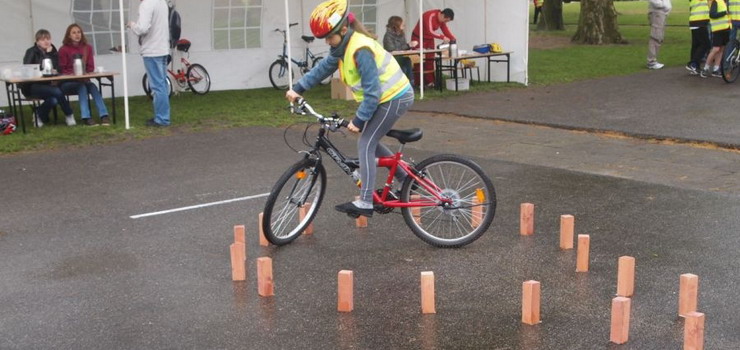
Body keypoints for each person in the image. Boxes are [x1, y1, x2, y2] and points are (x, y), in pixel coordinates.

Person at [286, 0, 415, 218]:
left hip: (395, 97)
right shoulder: (343, 45)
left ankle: (366, 202)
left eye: (329, 36)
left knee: (365, 144)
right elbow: (324, 67)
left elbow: (373, 93)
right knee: (370, 139)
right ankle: (405, 178)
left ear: (344, 29)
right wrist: (298, 88)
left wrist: (359, 119)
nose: (328, 42)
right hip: (387, 98)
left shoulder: (360, 49)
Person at [58, 24, 111, 126]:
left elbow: (90, 67)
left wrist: (84, 74)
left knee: (92, 87)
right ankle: (86, 117)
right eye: (74, 33)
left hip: (83, 79)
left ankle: (104, 115)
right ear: (69, 35)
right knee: (82, 87)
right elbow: (62, 69)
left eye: (79, 32)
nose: (77, 35)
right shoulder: (63, 49)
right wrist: (73, 74)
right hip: (67, 82)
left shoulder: (87, 48)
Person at [128, 0, 171, 127]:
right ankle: (163, 116)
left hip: (152, 50)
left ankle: (162, 118)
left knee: (158, 87)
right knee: (161, 85)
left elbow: (143, 28)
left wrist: (132, 24)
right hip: (162, 48)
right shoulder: (162, 2)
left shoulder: (146, 4)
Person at [21, 29, 76, 127]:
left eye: (48, 39)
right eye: (42, 39)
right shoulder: (31, 51)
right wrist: (46, 55)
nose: (46, 41)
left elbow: (59, 68)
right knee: (57, 92)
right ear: (37, 42)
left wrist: (56, 71)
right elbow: (27, 68)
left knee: (54, 99)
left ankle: (38, 114)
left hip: (49, 84)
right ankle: (69, 114)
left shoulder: (54, 52)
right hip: (32, 85)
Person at [410, 8, 456, 87]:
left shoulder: (441, 20)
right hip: (418, 38)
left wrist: (453, 38)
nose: (445, 22)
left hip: (429, 39)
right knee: (418, 60)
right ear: (442, 15)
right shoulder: (429, 16)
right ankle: (418, 83)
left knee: (430, 59)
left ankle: (430, 82)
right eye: (446, 20)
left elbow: (445, 30)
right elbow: (430, 31)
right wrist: (443, 37)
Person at [383, 16, 418, 86]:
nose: (404, 25)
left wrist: (410, 46)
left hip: (400, 57)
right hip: (392, 59)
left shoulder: (402, 34)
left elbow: (403, 47)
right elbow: (391, 49)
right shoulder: (387, 36)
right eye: (402, 24)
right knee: (404, 65)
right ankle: (405, 84)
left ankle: (410, 83)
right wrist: (408, 45)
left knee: (407, 60)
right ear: (396, 25)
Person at [702, 0, 731, 77]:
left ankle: (716, 69)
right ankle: (706, 68)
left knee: (721, 49)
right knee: (716, 49)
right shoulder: (716, 2)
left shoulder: (724, 2)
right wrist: (724, 13)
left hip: (726, 28)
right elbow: (712, 14)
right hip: (718, 29)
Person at [687, 0, 711, 75]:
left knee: (696, 44)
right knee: (706, 44)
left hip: (695, 21)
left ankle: (694, 67)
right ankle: (693, 63)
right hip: (700, 21)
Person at [647, 0, 672, 70]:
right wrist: (662, 5)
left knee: (658, 37)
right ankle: (651, 62)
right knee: (655, 37)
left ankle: (653, 60)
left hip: (661, 12)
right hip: (657, 12)